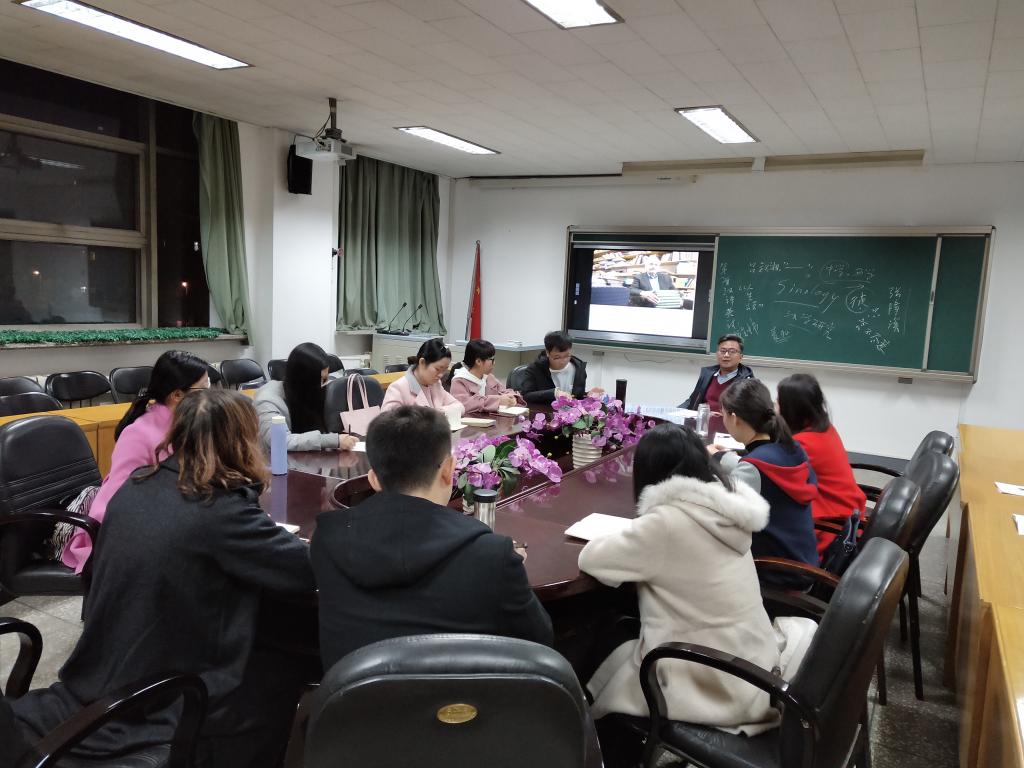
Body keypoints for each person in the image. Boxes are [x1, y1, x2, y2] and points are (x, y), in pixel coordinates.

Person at [12, 389, 317, 768]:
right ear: (241, 442)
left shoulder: (138, 483)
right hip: (163, 686)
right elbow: (304, 570)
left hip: (107, 658)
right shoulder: (219, 508)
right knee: (281, 672)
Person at [579, 424, 816, 743]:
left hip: (710, 679)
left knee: (599, 635)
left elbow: (593, 559)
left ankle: (602, 741)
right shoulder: (726, 508)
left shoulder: (666, 523)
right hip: (753, 663)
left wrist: (630, 532)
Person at [311, 406, 552, 668]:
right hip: (462, 694)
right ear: (449, 470)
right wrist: (510, 567)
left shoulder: (326, 540)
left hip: (353, 693)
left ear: (373, 479)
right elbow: (540, 642)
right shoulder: (493, 554)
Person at [60, 350, 210, 574]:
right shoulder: (139, 434)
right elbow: (120, 497)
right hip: (122, 529)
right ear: (177, 395)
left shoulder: (186, 424)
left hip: (167, 517)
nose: (211, 397)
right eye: (203, 390)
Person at [712, 378, 819, 574]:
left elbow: (720, 519)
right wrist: (720, 457)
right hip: (803, 561)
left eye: (723, 413)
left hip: (775, 572)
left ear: (735, 418)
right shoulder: (791, 448)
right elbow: (759, 467)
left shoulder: (753, 468)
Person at [777, 373, 867, 557]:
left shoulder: (804, 444)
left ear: (791, 409)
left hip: (830, 530)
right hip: (847, 516)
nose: (775, 405)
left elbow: (769, 471)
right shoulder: (825, 429)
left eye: (779, 401)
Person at [254, 342, 359, 452]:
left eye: (326, 378)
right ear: (305, 380)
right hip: (273, 460)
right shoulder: (267, 401)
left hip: (305, 458)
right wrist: (332, 440)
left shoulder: (306, 393)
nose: (324, 384)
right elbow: (280, 441)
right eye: (321, 380)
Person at [381, 337, 464, 416]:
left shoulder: (435, 384)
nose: (441, 375)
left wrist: (440, 412)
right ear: (422, 362)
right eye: (438, 369)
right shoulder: (398, 388)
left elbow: (460, 407)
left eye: (444, 370)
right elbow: (387, 422)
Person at [520, 330, 604, 404]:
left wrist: (587, 395)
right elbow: (526, 396)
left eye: (567, 356)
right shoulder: (535, 369)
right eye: (557, 357)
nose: (563, 361)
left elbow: (577, 396)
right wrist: (554, 393)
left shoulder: (579, 368)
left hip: (570, 414)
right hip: (546, 413)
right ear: (547, 353)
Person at [679, 333, 754, 412]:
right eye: (723, 351)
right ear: (717, 354)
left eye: (732, 351)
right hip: (702, 419)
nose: (726, 355)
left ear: (740, 357)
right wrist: (675, 412)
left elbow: (749, 412)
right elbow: (692, 400)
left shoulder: (746, 382)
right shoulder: (707, 375)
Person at [447, 339, 526, 413]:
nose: (494, 363)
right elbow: (464, 405)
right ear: (478, 361)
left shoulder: (488, 377)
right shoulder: (459, 381)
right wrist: (498, 400)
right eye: (492, 359)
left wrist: (512, 397)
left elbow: (504, 391)